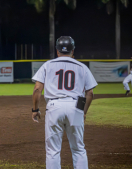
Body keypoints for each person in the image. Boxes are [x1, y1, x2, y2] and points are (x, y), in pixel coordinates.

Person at [31, 36, 98, 169]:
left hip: (54, 106)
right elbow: (89, 93)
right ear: (73, 51)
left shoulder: (48, 65)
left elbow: (37, 89)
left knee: (52, 151)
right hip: (76, 106)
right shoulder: (81, 67)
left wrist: (35, 109)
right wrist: (83, 112)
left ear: (57, 51)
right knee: (78, 149)